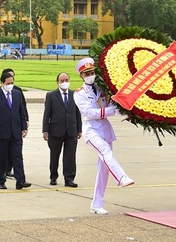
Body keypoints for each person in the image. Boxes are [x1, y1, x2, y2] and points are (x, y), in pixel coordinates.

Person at [73, 57, 134, 215]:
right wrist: (112, 111)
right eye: (87, 73)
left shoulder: (102, 89)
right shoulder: (79, 94)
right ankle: (121, 177)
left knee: (103, 169)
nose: (90, 75)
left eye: (92, 72)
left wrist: (123, 108)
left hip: (105, 128)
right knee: (105, 151)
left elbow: (112, 104)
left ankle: (96, 204)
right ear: (81, 76)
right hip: (91, 129)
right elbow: (90, 113)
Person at [0, 72, 31, 190]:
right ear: (2, 83)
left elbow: (21, 112)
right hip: (1, 133)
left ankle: (20, 180)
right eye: (8, 83)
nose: (10, 85)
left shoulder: (17, 94)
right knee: (1, 157)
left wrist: (24, 127)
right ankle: (0, 180)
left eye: (12, 83)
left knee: (17, 156)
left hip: (15, 132)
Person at [42, 72, 82, 187]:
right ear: (58, 82)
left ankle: (69, 179)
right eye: (62, 81)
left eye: (66, 80)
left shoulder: (74, 94)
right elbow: (47, 114)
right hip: (55, 130)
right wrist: (45, 130)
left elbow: (77, 113)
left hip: (71, 130)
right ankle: (53, 176)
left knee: (70, 156)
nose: (64, 83)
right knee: (55, 155)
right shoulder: (51, 95)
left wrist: (79, 129)